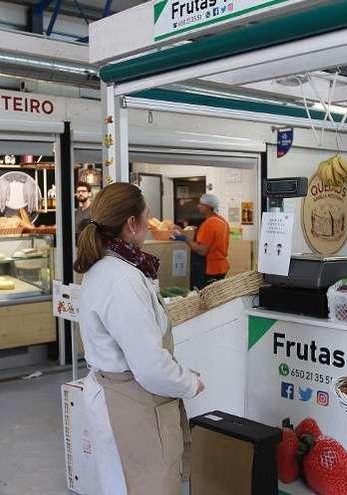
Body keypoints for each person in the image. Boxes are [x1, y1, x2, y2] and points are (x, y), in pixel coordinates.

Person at [75, 183, 204, 495]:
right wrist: (189, 382)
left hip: (117, 398)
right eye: (147, 217)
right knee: (137, 485)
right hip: (130, 405)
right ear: (131, 224)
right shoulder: (122, 280)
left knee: (120, 484)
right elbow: (150, 366)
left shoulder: (107, 270)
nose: (149, 224)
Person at [175, 193, 229, 289]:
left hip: (210, 269)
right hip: (221, 267)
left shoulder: (209, 224)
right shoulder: (222, 221)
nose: (198, 206)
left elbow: (202, 250)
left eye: (201, 204)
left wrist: (185, 239)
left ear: (207, 206)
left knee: (204, 298)